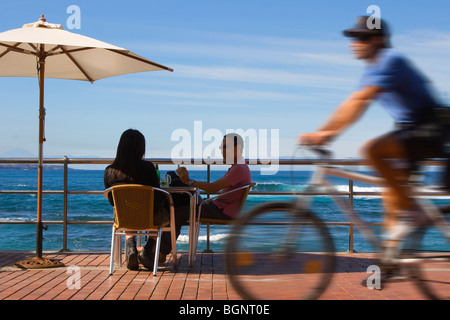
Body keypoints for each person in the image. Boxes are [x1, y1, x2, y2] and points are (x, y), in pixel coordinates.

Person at [298, 17, 445, 274]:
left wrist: (327, 134)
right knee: (391, 194)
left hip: (429, 129)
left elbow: (361, 100)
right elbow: (351, 102)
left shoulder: (391, 60)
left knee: (372, 150)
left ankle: (414, 210)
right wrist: (325, 132)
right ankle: (392, 261)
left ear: (377, 40)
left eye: (361, 38)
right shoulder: (374, 68)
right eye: (353, 38)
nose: (355, 43)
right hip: (414, 131)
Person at [104, 129, 171, 270]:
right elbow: (157, 197)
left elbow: (111, 201)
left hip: (123, 218)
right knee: (165, 212)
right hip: (149, 218)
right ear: (141, 148)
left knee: (127, 212)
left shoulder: (110, 170)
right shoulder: (148, 168)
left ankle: (130, 247)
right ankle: (147, 250)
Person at [176, 133, 252, 220]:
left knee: (177, 212)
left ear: (237, 148)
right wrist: (187, 182)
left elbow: (213, 188)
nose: (222, 151)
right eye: (221, 148)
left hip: (221, 211)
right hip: (217, 207)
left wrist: (190, 181)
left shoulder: (239, 168)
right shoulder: (239, 166)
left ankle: (164, 228)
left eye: (226, 147)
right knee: (179, 198)